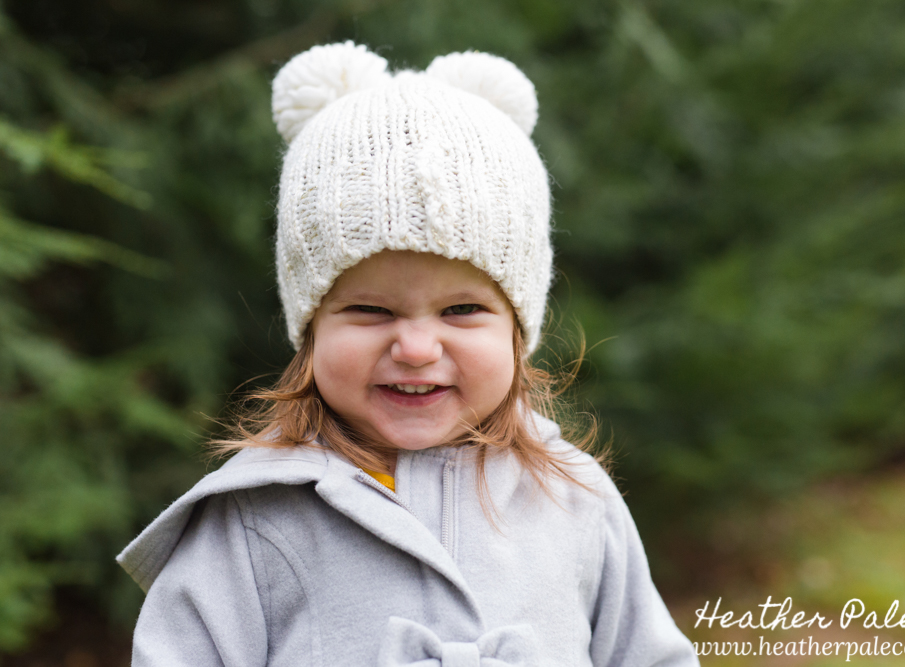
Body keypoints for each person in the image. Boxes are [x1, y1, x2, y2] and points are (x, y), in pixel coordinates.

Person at [117, 41, 698, 667]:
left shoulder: (573, 498)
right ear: (310, 327)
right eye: (371, 310)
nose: (417, 349)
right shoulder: (253, 517)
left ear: (516, 327)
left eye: (462, 309)